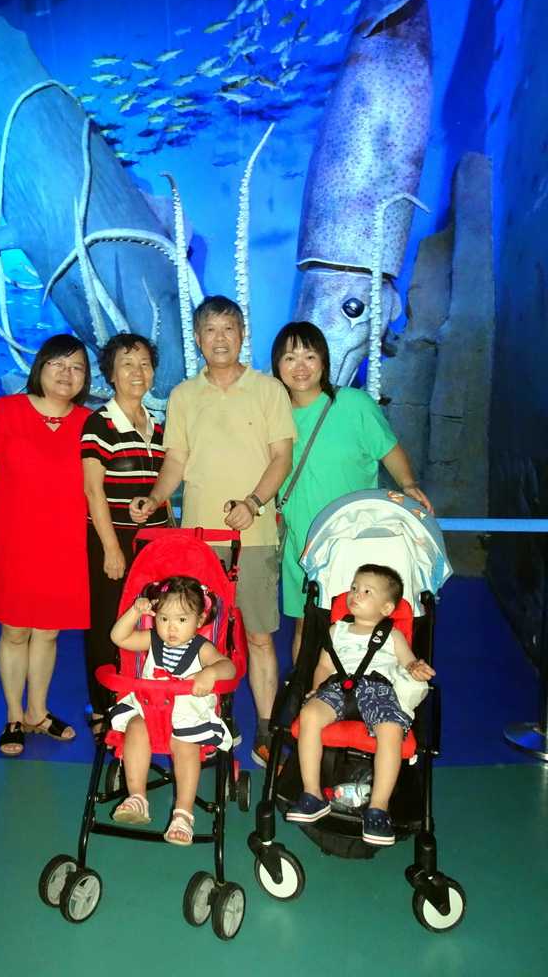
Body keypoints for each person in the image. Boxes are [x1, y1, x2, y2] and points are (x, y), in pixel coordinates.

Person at [131, 296, 295, 767]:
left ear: (243, 334)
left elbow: (280, 456)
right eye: (210, 330)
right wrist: (156, 499)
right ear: (198, 338)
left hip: (256, 535)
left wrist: (253, 503)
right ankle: (214, 716)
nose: (220, 338)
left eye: (229, 328)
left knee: (260, 635)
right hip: (197, 543)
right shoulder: (183, 396)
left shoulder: (269, 391)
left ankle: (266, 727)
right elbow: (175, 463)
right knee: (205, 635)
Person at [271, 321, 433, 663]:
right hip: (301, 541)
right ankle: (306, 697)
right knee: (305, 626)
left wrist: (407, 485)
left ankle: (360, 700)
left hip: (355, 540)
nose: (300, 367)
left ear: (324, 362)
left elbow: (389, 449)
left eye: (309, 356)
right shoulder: (273, 414)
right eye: (290, 358)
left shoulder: (354, 404)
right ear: (277, 366)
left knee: (358, 625)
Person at [0, 334, 92, 756]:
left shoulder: (87, 422)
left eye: (76, 367)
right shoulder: (6, 412)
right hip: (13, 541)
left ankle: (39, 712)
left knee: (49, 632)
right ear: (40, 368)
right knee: (16, 629)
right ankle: (13, 715)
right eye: (58, 364)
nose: (66, 373)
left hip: (65, 544)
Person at [285, 564, 435, 846]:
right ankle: (312, 793)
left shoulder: (392, 635)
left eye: (367, 591)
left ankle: (378, 808)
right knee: (309, 715)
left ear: (387, 608)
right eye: (354, 587)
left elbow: (408, 662)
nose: (355, 594)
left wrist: (416, 667)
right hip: (336, 687)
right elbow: (323, 665)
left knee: (390, 730)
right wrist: (317, 688)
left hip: (377, 690)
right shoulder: (336, 630)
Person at [81, 334, 169, 744]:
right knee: (106, 623)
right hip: (111, 538)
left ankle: (137, 700)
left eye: (145, 363)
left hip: (154, 545)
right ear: (111, 374)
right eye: (127, 364)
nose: (138, 372)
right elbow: (93, 490)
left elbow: (160, 488)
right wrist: (112, 548)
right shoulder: (99, 422)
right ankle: (101, 708)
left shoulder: (158, 425)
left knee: (146, 620)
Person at [109, 576, 237, 845]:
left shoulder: (201, 648)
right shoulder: (152, 640)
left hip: (186, 715)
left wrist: (210, 673)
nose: (171, 628)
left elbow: (229, 667)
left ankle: (183, 813)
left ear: (199, 621)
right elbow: (118, 637)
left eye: (181, 620)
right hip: (148, 710)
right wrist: (135, 610)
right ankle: (137, 798)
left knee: (186, 745)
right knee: (134, 727)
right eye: (164, 618)